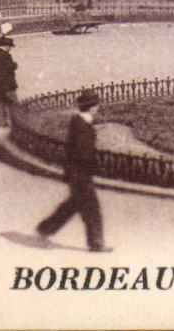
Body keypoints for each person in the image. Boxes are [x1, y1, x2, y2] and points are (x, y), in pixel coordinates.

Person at [36, 88, 108, 252]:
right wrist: (93, 167)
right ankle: (96, 243)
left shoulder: (80, 122)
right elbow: (83, 152)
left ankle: (46, 228)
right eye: (96, 105)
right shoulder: (82, 125)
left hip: (76, 172)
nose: (98, 108)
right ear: (92, 107)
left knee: (74, 204)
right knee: (91, 207)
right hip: (80, 172)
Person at [0, 38, 19, 127]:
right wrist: (15, 64)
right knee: (13, 103)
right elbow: (10, 67)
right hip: (8, 83)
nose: (10, 49)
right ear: (6, 46)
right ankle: (16, 121)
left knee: (0, 103)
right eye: (10, 47)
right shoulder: (6, 55)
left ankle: (1, 122)